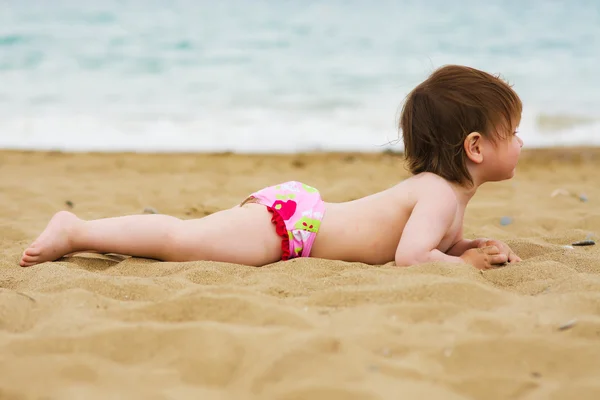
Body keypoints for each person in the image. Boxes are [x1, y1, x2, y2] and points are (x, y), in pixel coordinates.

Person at [20, 65, 523, 270]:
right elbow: (412, 257)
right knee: (181, 240)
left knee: (188, 237)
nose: (522, 142)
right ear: (475, 147)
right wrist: (463, 266)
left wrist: (467, 246)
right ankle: (75, 230)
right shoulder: (436, 192)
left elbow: (425, 241)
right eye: (514, 131)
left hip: (297, 221)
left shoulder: (445, 198)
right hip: (292, 230)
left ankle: (80, 231)